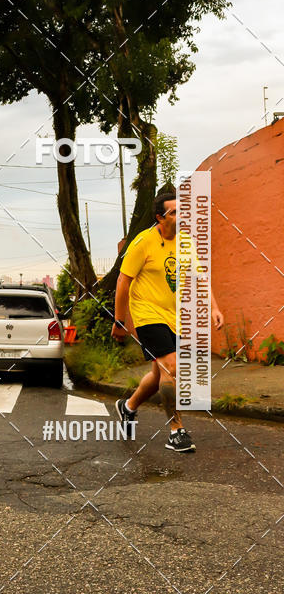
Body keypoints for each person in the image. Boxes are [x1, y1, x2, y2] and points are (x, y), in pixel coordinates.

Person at [111, 192, 224, 453]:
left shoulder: (186, 242)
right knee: (171, 367)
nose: (181, 217)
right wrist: (120, 320)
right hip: (147, 314)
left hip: (174, 318)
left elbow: (200, 278)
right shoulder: (143, 242)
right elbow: (123, 281)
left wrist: (214, 308)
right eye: (174, 212)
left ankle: (127, 407)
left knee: (159, 373)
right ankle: (176, 430)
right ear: (160, 217)